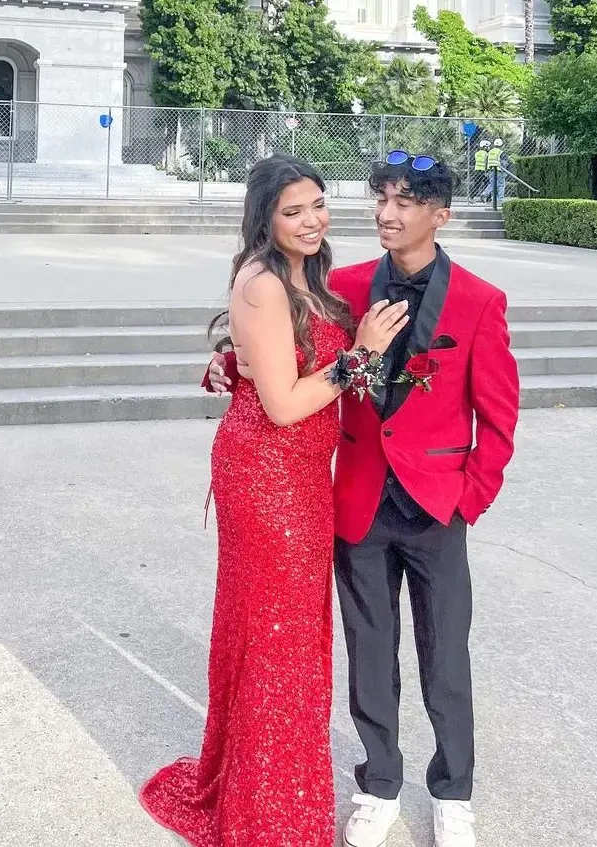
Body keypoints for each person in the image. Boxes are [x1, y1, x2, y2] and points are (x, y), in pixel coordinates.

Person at [208, 152, 520, 847]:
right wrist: (232, 362)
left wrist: (470, 496)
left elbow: (498, 418)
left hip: (438, 503)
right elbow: (286, 343)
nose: (387, 212)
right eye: (382, 197)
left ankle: (452, 790)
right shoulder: (342, 286)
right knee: (369, 649)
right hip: (355, 498)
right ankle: (379, 782)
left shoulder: (478, 301)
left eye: (406, 201)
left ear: (440, 214)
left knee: (446, 655)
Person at [140, 154, 409, 847]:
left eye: (317, 204)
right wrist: (362, 354)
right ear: (265, 219)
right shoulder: (261, 283)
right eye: (293, 211)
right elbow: (286, 405)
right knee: (275, 636)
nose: (312, 219)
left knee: (286, 632)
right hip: (264, 472)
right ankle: (267, 810)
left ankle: (272, 779)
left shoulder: (309, 278)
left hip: (303, 477)